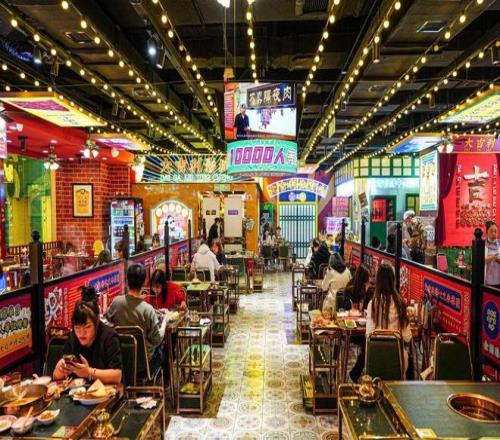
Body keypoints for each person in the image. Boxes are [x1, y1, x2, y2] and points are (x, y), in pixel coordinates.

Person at [106, 264, 168, 364]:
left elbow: (108, 319)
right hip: (144, 362)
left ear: (127, 281)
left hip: (121, 359)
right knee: (163, 351)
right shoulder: (148, 309)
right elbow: (157, 339)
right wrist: (165, 321)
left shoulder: (116, 302)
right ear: (144, 282)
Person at [53, 297, 122, 384]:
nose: (81, 333)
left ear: (97, 322)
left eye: (87, 327)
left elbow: (117, 376)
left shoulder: (109, 336)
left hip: (105, 390)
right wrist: (60, 370)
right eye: (77, 327)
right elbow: (56, 377)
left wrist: (89, 372)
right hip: (77, 390)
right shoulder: (72, 338)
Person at [366, 263, 412, 372]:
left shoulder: (373, 303)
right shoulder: (400, 304)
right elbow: (408, 337)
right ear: (393, 280)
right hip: (397, 360)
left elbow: (369, 334)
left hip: (375, 359)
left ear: (378, 281)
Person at [345, 264, 373, 382]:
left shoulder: (370, 292)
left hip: (365, 328)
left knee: (368, 343)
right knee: (367, 343)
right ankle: (355, 374)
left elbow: (369, 311)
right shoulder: (350, 290)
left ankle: (357, 374)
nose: (368, 283)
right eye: (366, 281)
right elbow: (345, 311)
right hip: (352, 328)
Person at [485, 220, 500, 287]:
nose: (493, 233)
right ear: (487, 232)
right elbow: (477, 261)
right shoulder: (482, 245)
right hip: (487, 280)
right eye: (491, 231)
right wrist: (490, 258)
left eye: (495, 231)